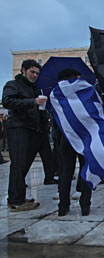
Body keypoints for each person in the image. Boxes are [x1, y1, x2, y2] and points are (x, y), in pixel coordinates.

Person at [2, 59, 48, 211]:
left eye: (37, 73)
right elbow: (8, 101)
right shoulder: (13, 85)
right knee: (18, 164)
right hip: (18, 128)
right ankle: (16, 200)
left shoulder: (33, 89)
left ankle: (18, 197)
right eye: (32, 72)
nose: (34, 75)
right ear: (23, 70)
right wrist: (32, 102)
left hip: (31, 129)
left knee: (24, 166)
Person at [55, 69, 92, 216]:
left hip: (66, 137)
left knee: (66, 172)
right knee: (85, 171)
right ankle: (85, 205)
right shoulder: (83, 93)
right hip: (83, 138)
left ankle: (63, 206)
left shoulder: (56, 95)